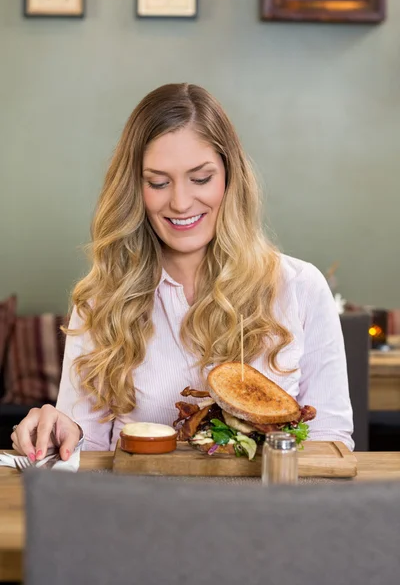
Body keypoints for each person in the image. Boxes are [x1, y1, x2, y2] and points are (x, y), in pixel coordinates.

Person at [11, 83, 354, 461]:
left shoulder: (299, 287)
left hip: (263, 514)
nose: (180, 201)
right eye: (158, 182)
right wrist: (59, 429)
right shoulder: (101, 301)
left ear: (229, 176)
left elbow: (329, 444)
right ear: (135, 189)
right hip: (139, 514)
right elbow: (84, 452)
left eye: (201, 178)